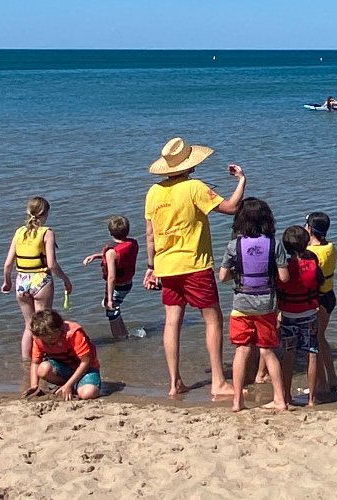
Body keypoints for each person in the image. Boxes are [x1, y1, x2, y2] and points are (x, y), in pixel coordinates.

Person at [142, 137, 246, 397]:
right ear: (189, 164)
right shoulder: (194, 187)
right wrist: (242, 180)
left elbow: (150, 234)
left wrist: (150, 266)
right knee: (212, 320)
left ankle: (174, 382)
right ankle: (219, 381)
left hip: (165, 266)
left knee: (171, 323)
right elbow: (231, 208)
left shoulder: (153, 192)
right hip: (194, 264)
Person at [218, 197, 290, 412]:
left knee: (241, 350)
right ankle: (279, 399)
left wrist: (238, 272)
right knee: (267, 351)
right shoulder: (274, 244)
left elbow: (222, 277)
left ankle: (237, 400)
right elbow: (284, 277)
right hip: (266, 305)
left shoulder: (234, 245)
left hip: (241, 305)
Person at [1, 196, 73, 390]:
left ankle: (27, 363)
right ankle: (43, 358)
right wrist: (66, 279)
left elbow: (8, 263)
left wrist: (7, 282)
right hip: (40, 280)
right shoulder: (47, 233)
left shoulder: (19, 232)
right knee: (44, 326)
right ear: (45, 213)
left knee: (28, 325)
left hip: (22, 282)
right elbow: (51, 264)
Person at [276, 225, 324, 406]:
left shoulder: (284, 267)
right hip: (310, 314)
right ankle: (312, 399)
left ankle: (286, 396)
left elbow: (279, 287)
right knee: (311, 354)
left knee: (288, 355)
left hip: (288, 315)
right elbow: (319, 283)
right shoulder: (312, 263)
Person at [82, 215, 138, 339]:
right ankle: (125, 335)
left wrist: (110, 299)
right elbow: (117, 257)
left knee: (111, 311)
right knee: (114, 309)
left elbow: (111, 277)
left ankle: (119, 341)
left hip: (117, 287)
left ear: (110, 232)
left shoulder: (111, 252)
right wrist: (96, 256)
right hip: (127, 284)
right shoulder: (132, 243)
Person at [25, 309, 101, 401]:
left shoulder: (73, 333)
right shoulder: (39, 338)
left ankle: (71, 385)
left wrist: (69, 384)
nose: (48, 342)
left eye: (52, 338)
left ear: (60, 329)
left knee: (88, 393)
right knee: (43, 369)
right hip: (63, 369)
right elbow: (35, 362)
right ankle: (66, 386)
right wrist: (34, 385)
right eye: (44, 340)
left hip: (86, 370)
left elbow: (86, 361)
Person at [305, 212, 337, 394]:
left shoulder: (311, 254)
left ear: (310, 229)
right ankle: (331, 378)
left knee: (313, 343)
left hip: (317, 300)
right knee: (321, 338)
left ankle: (321, 384)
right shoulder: (331, 248)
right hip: (329, 296)